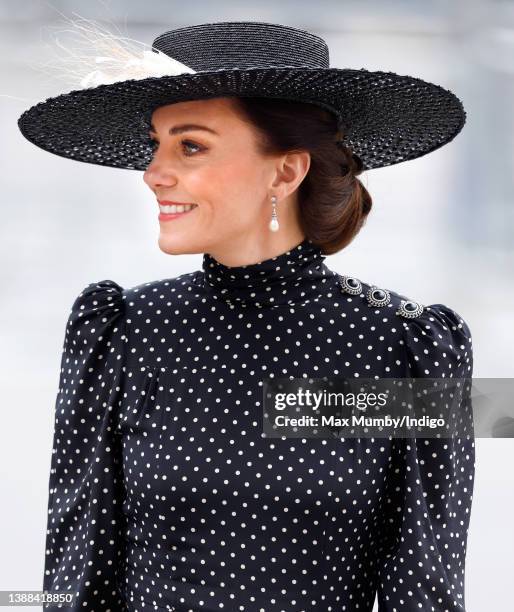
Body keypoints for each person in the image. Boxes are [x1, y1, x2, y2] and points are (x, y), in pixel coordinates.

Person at [18, 20, 475, 612]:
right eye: (156, 144)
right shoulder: (120, 330)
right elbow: (72, 586)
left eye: (190, 145)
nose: (153, 172)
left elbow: (428, 590)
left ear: (285, 172)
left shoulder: (408, 347)